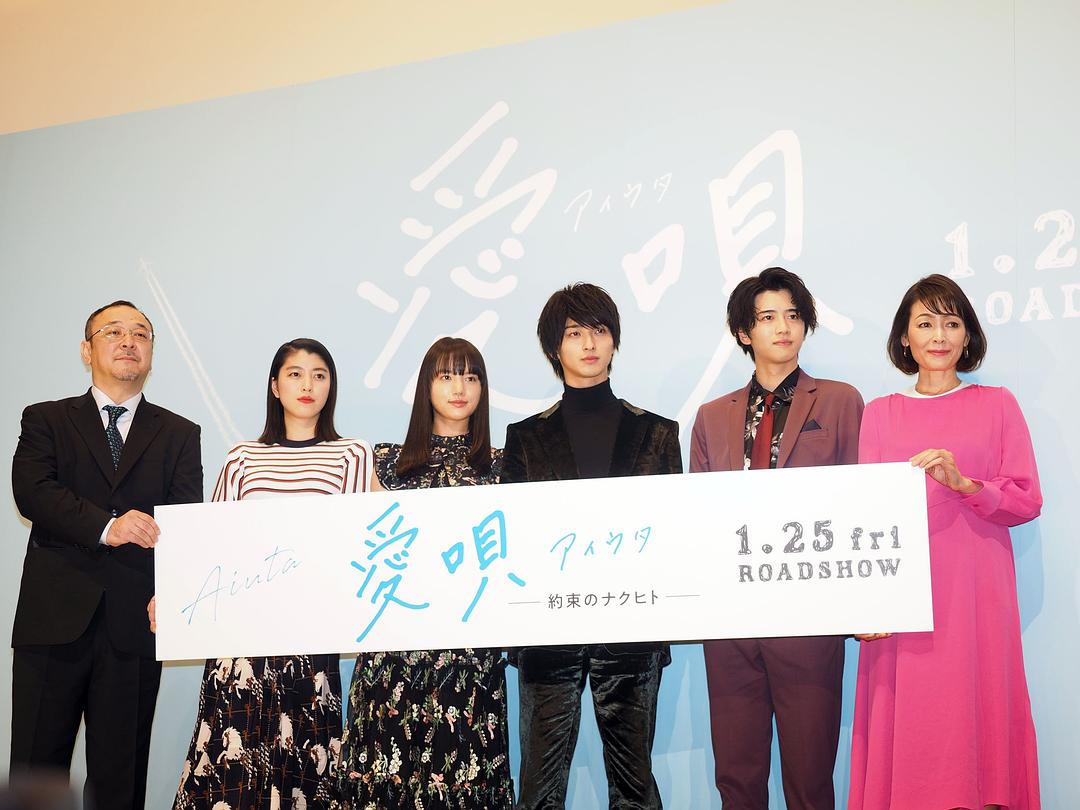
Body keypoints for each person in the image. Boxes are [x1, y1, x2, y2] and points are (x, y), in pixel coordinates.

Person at [848, 274, 1042, 810]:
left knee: (980, 731)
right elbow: (866, 518)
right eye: (926, 323)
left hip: (979, 597)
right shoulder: (881, 412)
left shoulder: (998, 404)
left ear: (968, 335)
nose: (939, 335)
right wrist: (866, 603)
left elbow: (1027, 500)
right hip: (904, 600)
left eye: (952, 323)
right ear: (904, 337)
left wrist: (966, 484)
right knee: (911, 731)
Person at [10, 300, 203, 810]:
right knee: (35, 775)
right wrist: (107, 527)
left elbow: (184, 523)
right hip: (52, 621)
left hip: (135, 624)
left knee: (120, 780)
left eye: (140, 333)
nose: (128, 341)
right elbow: (33, 492)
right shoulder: (47, 419)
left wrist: (174, 593)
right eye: (113, 332)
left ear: (151, 352)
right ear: (86, 349)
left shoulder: (180, 433)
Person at [173, 338, 374, 810]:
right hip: (242, 640)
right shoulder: (242, 457)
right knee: (232, 768)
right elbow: (212, 545)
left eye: (319, 375)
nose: (308, 384)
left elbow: (360, 544)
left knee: (304, 763)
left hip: (311, 637)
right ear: (275, 386)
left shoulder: (352, 455)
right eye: (295, 374)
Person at [502, 283, 682, 810]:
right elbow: (515, 539)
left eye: (599, 331)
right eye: (574, 333)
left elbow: (673, 533)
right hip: (548, 627)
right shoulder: (524, 438)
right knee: (539, 787)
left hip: (632, 625)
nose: (588, 344)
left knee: (635, 786)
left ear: (614, 340)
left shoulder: (657, 433)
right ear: (553, 347)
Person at [689, 267, 863, 810]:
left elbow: (859, 503)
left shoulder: (839, 401)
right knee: (736, 779)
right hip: (731, 623)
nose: (783, 327)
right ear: (744, 332)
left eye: (792, 315)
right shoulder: (710, 417)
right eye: (767, 317)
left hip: (809, 616)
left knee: (810, 780)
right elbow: (699, 518)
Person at [338, 337, 514, 810]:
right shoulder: (384, 463)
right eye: (447, 376)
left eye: (471, 377)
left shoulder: (502, 467)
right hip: (391, 658)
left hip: (469, 661)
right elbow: (358, 554)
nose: (460, 388)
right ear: (426, 386)